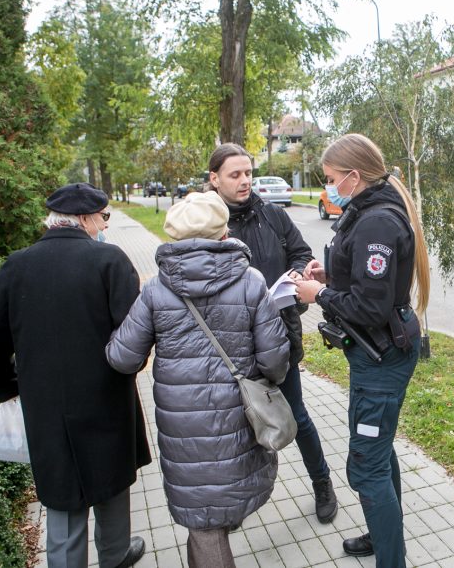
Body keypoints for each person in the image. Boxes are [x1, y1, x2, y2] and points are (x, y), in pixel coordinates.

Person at [106, 191, 290, 568]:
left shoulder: (157, 289)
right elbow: (274, 360)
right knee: (217, 511)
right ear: (224, 232)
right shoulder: (251, 282)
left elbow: (123, 358)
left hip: (183, 426)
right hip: (238, 417)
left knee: (203, 518)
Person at [0, 182, 150, 568]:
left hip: (46, 404)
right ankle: (115, 556)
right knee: (112, 486)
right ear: (86, 219)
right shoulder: (110, 261)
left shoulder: (16, 264)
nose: (104, 224)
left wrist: (6, 388)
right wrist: (131, 367)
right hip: (107, 397)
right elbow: (134, 335)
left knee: (62, 495)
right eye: (103, 217)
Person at [294, 133, 429, 567]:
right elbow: (369, 284)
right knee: (379, 450)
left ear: (354, 176)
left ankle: (392, 558)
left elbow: (371, 306)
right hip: (375, 353)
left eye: (333, 178)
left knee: (367, 466)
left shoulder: (376, 221)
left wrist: (319, 295)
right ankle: (383, 536)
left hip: (382, 354)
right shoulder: (368, 209)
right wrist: (330, 274)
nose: (329, 186)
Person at [207, 142, 340, 523]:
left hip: (279, 336)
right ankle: (235, 504)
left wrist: (298, 272)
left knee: (296, 415)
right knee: (235, 427)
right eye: (235, 174)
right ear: (214, 179)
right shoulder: (208, 222)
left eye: (248, 172)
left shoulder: (272, 215)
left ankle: (322, 484)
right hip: (230, 343)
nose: (245, 180)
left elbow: (300, 251)